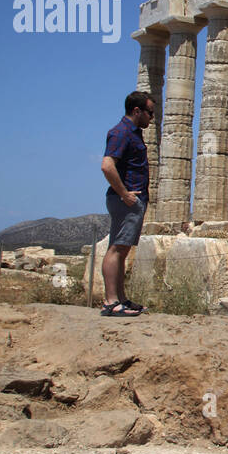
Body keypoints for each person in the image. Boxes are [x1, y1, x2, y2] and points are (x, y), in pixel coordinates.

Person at [99, 91, 154, 317]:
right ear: (137, 111)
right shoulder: (121, 132)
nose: (152, 117)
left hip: (132, 199)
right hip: (126, 200)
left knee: (122, 250)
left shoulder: (133, 133)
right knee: (117, 249)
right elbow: (107, 165)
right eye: (150, 112)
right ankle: (111, 302)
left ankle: (121, 300)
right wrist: (124, 194)